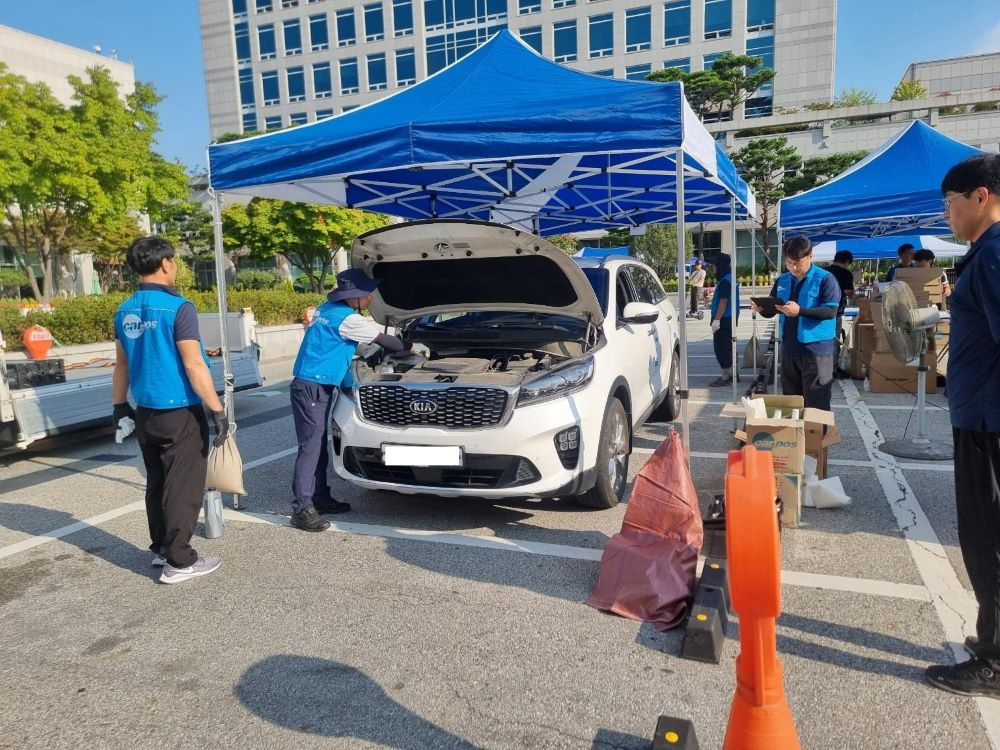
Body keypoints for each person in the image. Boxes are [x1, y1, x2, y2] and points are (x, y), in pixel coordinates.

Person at [925, 153, 1000, 699]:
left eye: (950, 203)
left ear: (981, 196)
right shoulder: (985, 253)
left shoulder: (994, 254)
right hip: (979, 416)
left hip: (988, 422)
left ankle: (994, 662)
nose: (947, 213)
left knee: (986, 539)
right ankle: (991, 638)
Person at [112, 237, 230, 584]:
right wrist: (217, 409)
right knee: (183, 485)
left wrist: (119, 406)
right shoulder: (179, 308)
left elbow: (121, 365)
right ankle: (179, 561)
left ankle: (162, 549)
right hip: (179, 411)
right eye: (174, 261)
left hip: (145, 411)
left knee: (158, 482)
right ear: (165, 263)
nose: (175, 266)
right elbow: (194, 364)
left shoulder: (124, 309)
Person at [289, 268, 431, 532]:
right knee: (310, 447)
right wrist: (413, 347)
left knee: (317, 445)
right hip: (313, 386)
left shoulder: (326, 309)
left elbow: (335, 343)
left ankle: (319, 497)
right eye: (366, 294)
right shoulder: (348, 319)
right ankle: (301, 509)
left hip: (313, 383)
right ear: (352, 296)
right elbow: (385, 340)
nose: (370, 298)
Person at [752, 236, 840, 410]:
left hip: (816, 350)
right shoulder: (782, 280)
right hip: (790, 348)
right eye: (789, 262)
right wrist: (762, 309)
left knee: (817, 402)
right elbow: (773, 310)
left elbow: (830, 312)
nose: (793, 268)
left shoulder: (825, 279)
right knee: (792, 403)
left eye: (798, 263)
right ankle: (796, 429)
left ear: (810, 257)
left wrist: (800, 311)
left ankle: (817, 429)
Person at [708, 254, 740, 387]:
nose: (712, 267)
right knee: (730, 346)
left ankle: (725, 377)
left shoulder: (725, 281)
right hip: (730, 317)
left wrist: (716, 320)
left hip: (723, 318)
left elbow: (723, 301)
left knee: (722, 347)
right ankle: (733, 374)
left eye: (714, 265)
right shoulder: (731, 278)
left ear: (720, 265)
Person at [826, 249, 855, 374]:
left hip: (820, 311)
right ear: (847, 261)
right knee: (834, 341)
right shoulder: (846, 273)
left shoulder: (824, 271)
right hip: (835, 312)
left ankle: (821, 368)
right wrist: (852, 292)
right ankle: (832, 370)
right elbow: (848, 292)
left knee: (822, 340)